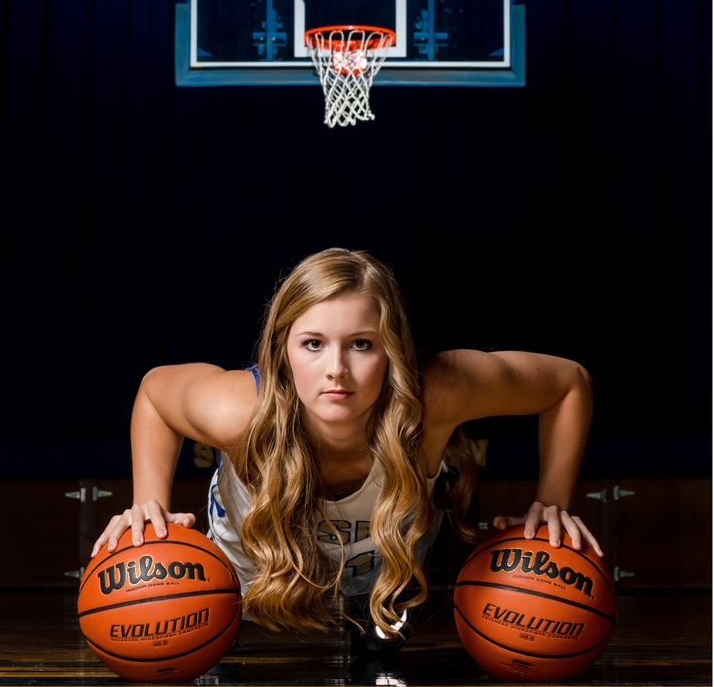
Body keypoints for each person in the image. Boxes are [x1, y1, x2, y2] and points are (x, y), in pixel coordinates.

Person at [91, 248, 599, 654]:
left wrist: (552, 502)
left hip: (386, 577)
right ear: (282, 353)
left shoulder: (435, 394)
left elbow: (567, 383)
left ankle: (379, 613)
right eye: (313, 344)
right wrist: (147, 504)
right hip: (246, 583)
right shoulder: (237, 411)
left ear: (393, 351)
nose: (336, 368)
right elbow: (156, 391)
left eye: (361, 344)